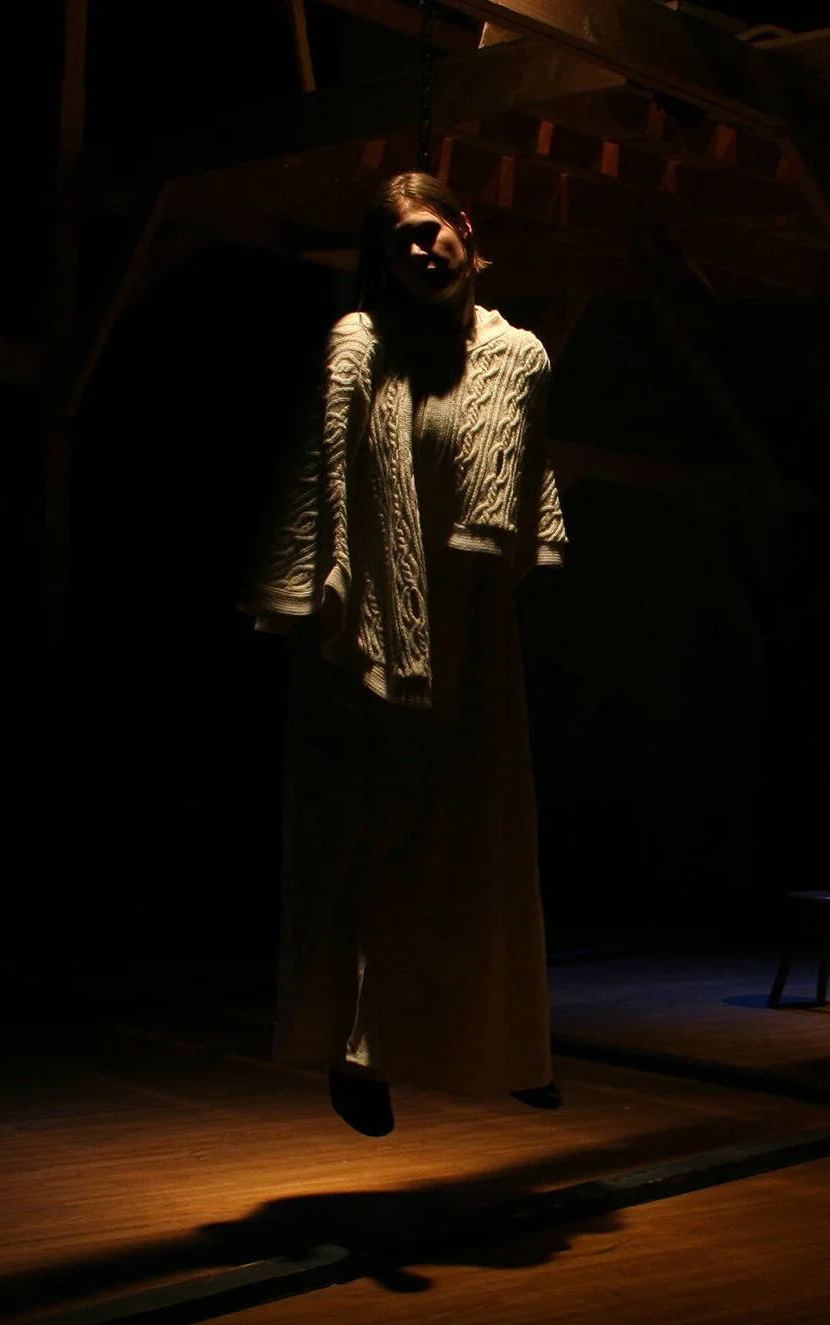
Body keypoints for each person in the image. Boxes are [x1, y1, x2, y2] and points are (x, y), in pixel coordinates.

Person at [241, 172, 567, 1135]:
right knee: (366, 839)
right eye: (398, 244)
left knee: (477, 840)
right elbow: (321, 475)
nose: (421, 251)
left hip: (471, 631)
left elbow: (517, 496)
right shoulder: (359, 346)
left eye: (429, 230)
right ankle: (358, 1052)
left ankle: (503, 1043)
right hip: (371, 619)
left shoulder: (519, 357)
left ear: (464, 227)